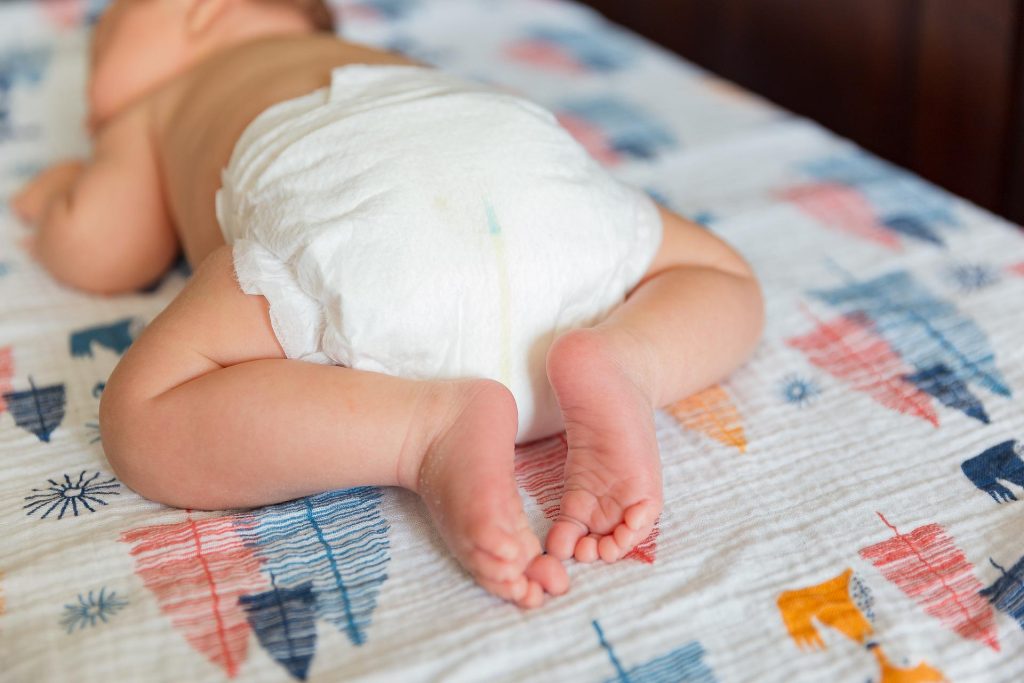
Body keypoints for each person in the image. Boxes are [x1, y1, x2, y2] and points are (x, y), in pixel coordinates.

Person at [12, 0, 764, 608]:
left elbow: (105, 254)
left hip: (357, 222)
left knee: (143, 412)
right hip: (520, 161)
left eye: (100, 44)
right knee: (721, 274)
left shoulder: (163, 103)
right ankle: (626, 355)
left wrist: (62, 197)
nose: (87, 104)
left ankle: (420, 429)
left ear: (200, 10)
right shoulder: (395, 65)